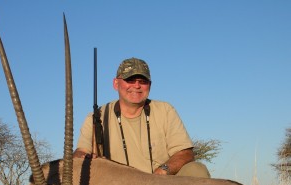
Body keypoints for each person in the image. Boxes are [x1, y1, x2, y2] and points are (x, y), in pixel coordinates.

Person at [74, 57, 210, 178]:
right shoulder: (97, 117)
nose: (137, 86)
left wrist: (162, 171)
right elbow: (81, 152)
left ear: (149, 85)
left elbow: (185, 153)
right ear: (116, 83)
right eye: (130, 80)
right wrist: (83, 157)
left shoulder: (165, 110)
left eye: (143, 81)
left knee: (197, 170)